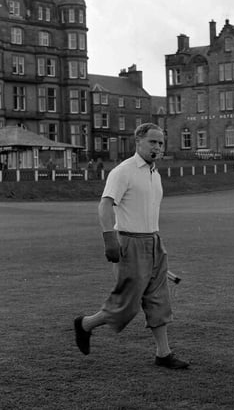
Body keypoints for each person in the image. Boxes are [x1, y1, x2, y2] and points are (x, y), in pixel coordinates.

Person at [73, 123, 189, 369]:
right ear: (138, 142)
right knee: (127, 306)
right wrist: (109, 240)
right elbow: (105, 205)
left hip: (154, 242)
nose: (157, 147)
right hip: (129, 242)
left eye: (160, 142)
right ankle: (85, 324)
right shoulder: (123, 171)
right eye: (152, 142)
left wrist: (154, 246)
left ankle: (163, 354)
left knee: (159, 300)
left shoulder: (154, 174)